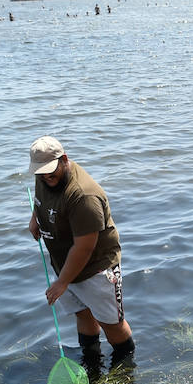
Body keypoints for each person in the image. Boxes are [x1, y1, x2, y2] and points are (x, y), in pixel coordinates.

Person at [27, 136, 135, 370]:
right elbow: (40, 200)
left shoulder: (84, 196)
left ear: (63, 160)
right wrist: (35, 218)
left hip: (96, 268)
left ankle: (126, 368)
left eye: (50, 171)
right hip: (65, 266)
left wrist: (62, 283)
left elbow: (84, 247)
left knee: (111, 323)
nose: (46, 176)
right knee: (82, 313)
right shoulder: (44, 177)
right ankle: (91, 362)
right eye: (40, 172)